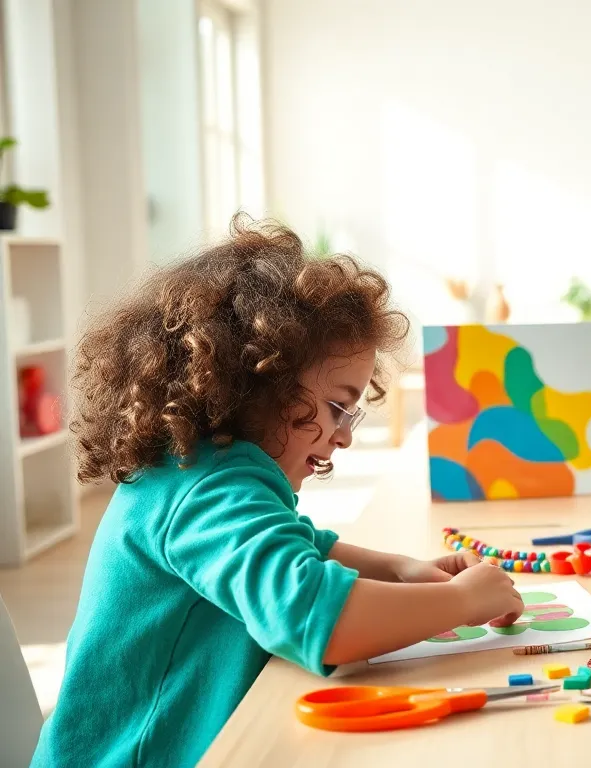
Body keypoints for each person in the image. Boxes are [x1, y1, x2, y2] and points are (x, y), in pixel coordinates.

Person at [32, 218, 525, 767]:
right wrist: (463, 602)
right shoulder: (208, 489)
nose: (344, 434)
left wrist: (398, 569)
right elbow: (317, 617)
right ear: (260, 382)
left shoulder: (208, 466)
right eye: (339, 406)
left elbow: (297, 542)